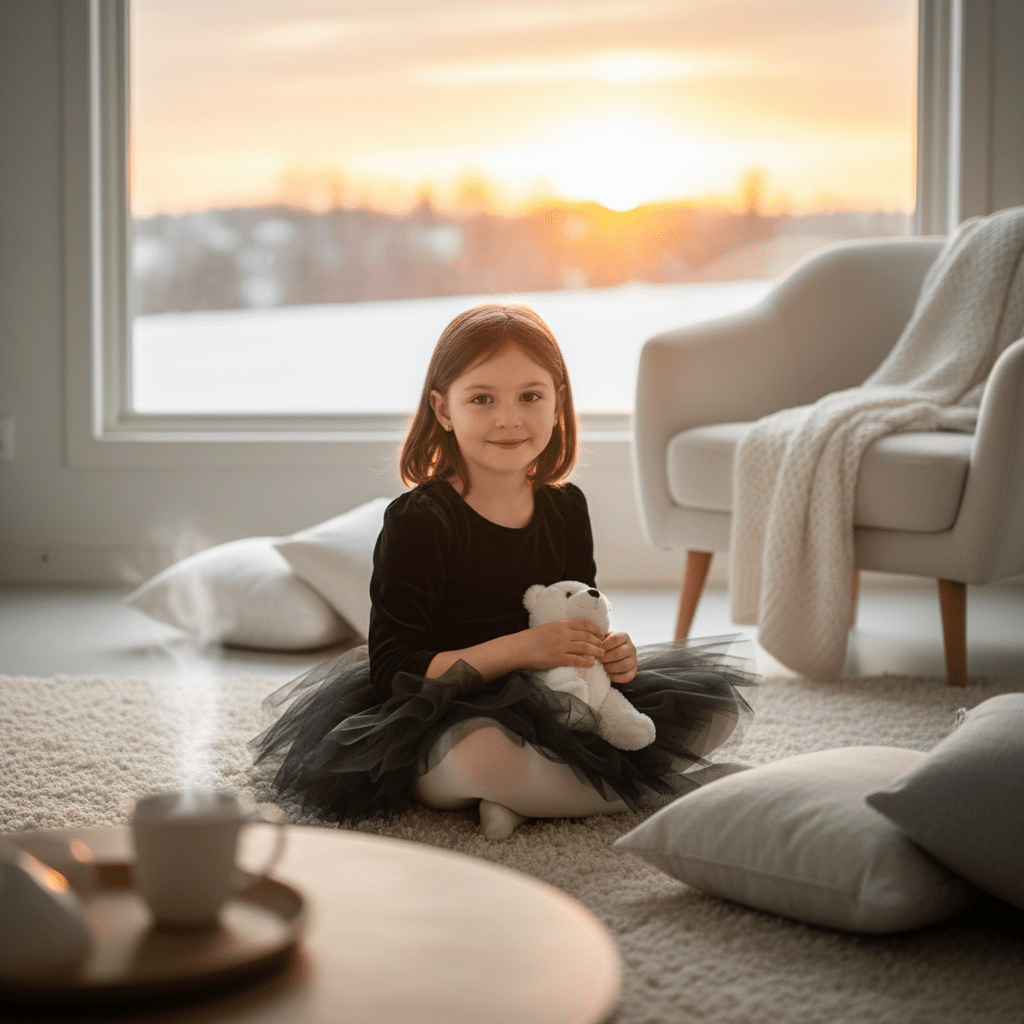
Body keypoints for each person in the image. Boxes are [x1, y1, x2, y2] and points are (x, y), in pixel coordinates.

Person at [252, 305, 754, 840]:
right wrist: (526, 649)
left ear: (558, 403)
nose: (509, 418)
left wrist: (613, 657)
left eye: (531, 397)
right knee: (481, 756)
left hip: (560, 698)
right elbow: (395, 672)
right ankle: (652, 794)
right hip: (441, 710)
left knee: (716, 706)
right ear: (443, 410)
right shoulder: (420, 520)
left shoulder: (566, 509)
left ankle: (530, 797)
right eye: (482, 399)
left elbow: (578, 609)